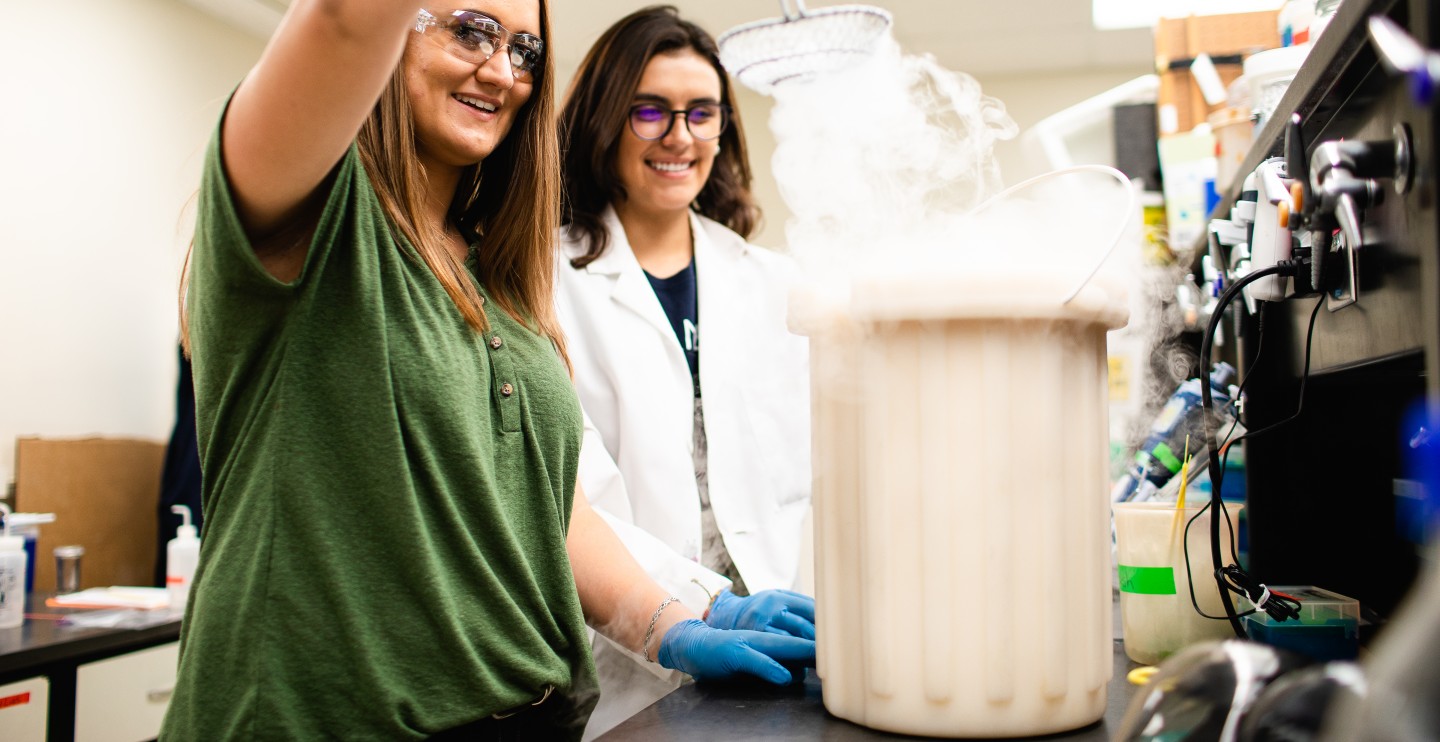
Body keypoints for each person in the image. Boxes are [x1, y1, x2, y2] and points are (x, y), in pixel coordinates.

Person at [161, 2, 814, 739]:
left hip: (531, 718)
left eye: (526, 50)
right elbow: (345, 21)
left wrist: (677, 621)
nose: (502, 69)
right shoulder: (317, 224)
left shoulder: (499, 275)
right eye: (471, 29)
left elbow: (544, 505)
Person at [556, 7, 815, 735]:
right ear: (607, 121)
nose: (680, 137)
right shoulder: (544, 282)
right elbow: (565, 493)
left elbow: (805, 479)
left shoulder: (770, 282)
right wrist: (697, 604)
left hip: (776, 633)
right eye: (650, 111)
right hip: (630, 650)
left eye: (702, 113)